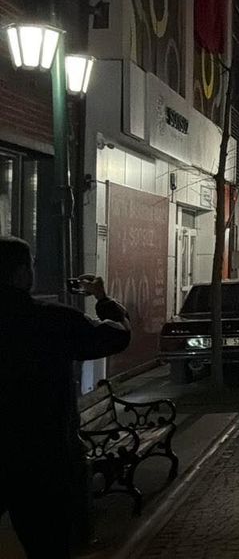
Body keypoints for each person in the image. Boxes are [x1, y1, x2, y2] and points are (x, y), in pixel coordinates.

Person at [0, 237, 131, 558]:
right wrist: (103, 299)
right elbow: (117, 336)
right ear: (21, 273)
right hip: (43, 457)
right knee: (48, 544)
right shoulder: (49, 320)